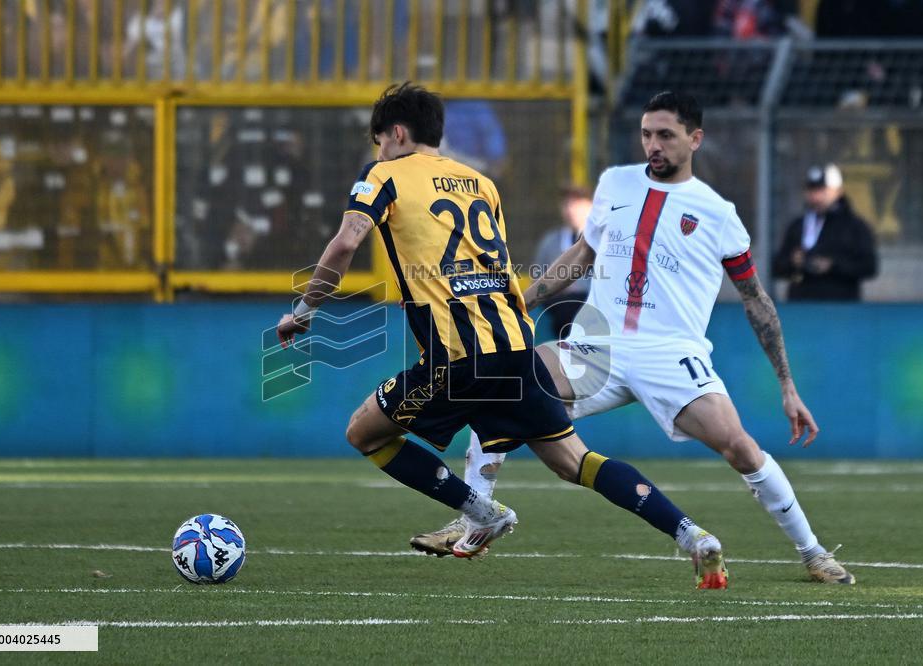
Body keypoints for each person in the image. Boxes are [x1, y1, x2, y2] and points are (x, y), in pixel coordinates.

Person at [277, 83, 729, 589]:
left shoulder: (383, 174)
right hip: (514, 346)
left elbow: (345, 244)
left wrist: (305, 309)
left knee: (364, 433)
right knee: (575, 462)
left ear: (397, 133)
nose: (378, 151)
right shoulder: (480, 183)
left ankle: (482, 512)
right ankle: (692, 535)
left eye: (379, 140)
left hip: (457, 356)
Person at [410, 91, 855, 585]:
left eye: (666, 135)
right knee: (500, 383)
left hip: (670, 354)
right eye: (646, 134)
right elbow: (582, 254)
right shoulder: (616, 183)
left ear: (695, 139)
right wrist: (524, 302)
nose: (653, 145)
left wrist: (787, 386)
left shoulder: (717, 213)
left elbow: (756, 299)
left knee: (741, 449)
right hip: (596, 345)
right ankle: (475, 518)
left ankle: (813, 553)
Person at [771, 164, 878, 301]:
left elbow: (869, 266)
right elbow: (777, 267)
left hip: (841, 306)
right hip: (801, 305)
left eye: (822, 190)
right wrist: (793, 261)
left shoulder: (854, 226)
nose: (816, 197)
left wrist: (832, 265)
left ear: (838, 191)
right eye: (811, 190)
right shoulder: (798, 225)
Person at [532, 185, 593, 340]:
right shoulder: (550, 242)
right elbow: (537, 281)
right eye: (566, 204)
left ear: (591, 205)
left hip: (589, 303)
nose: (570, 210)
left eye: (577, 204)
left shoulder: (604, 240)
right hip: (558, 304)